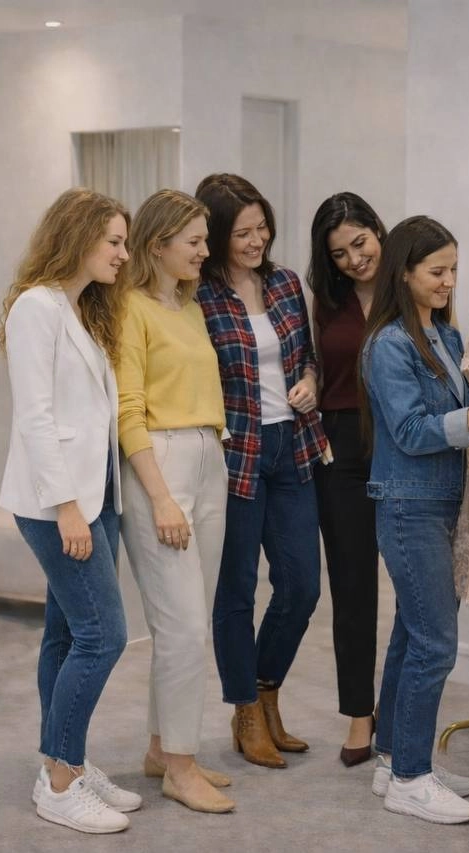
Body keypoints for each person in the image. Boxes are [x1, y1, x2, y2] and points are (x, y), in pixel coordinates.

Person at [360, 215, 469, 824]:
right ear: (404, 273)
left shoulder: (446, 337)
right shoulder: (389, 345)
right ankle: (410, 778)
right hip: (409, 506)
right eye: (437, 271)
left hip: (442, 502)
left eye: (453, 269)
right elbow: (407, 430)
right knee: (434, 644)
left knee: (412, 634)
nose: (449, 281)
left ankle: (396, 757)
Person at [0, 188, 142, 834]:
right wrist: (67, 509)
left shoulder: (81, 309)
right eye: (113, 241)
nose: (123, 253)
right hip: (60, 503)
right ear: (78, 236)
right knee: (103, 634)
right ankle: (60, 783)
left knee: (65, 635)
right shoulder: (36, 307)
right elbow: (35, 417)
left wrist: (92, 504)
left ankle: (67, 761)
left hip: (96, 495)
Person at [194, 173, 327, 769]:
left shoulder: (286, 283)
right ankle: (246, 709)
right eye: (242, 232)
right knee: (237, 591)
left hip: (293, 446)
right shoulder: (199, 296)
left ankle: (266, 688)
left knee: (302, 586)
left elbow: (309, 358)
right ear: (217, 235)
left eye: (262, 228)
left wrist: (310, 381)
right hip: (235, 455)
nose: (256, 241)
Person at [114, 189, 234, 814]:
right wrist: (161, 497)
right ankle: (180, 769)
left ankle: (164, 749)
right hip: (159, 466)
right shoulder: (128, 308)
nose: (205, 251)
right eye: (194, 241)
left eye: (205, 240)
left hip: (209, 456)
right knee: (182, 627)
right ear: (157, 245)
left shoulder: (188, 308)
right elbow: (127, 411)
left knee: (190, 624)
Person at [305, 192, 388, 767]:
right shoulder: (326, 301)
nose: (355, 260)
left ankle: (403, 706)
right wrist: (311, 380)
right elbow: (313, 362)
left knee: (416, 587)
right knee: (352, 587)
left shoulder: (410, 285)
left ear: (378, 230)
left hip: (404, 441)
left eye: (360, 243)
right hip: (340, 446)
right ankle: (361, 713)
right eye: (339, 253)